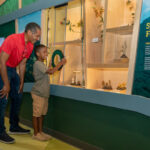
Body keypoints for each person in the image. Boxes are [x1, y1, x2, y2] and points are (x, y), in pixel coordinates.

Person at [0, 22, 41, 144]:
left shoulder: (30, 46)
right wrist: (6, 84)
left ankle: (14, 126)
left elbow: (22, 64)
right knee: (3, 99)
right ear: (29, 32)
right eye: (37, 36)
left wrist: (21, 82)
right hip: (2, 68)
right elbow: (1, 62)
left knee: (18, 96)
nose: (38, 39)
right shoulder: (12, 39)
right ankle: (0, 131)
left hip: (12, 70)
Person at [31, 44, 66, 141]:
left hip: (44, 94)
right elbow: (50, 72)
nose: (46, 54)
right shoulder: (37, 64)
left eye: (47, 51)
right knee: (36, 114)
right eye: (44, 52)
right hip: (38, 94)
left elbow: (48, 70)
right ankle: (35, 133)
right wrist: (60, 63)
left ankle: (40, 132)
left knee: (42, 114)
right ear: (38, 54)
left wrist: (51, 64)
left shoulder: (42, 64)